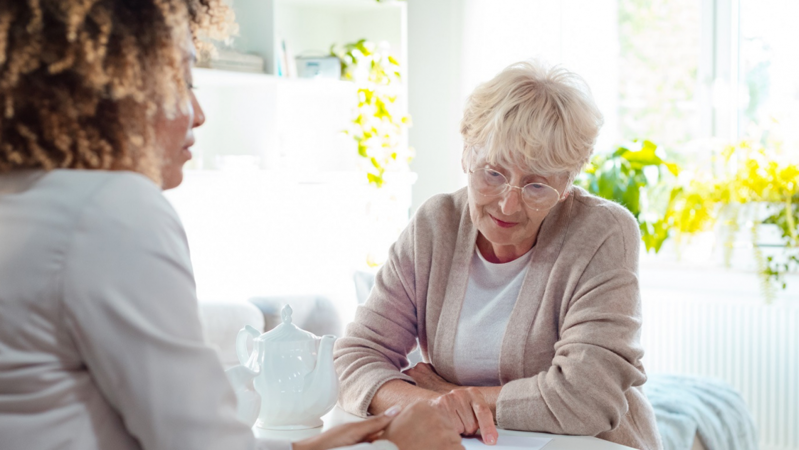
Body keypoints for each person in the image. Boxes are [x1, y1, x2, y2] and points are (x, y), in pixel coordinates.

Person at [0, 1, 462, 450]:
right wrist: (397, 447)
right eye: (183, 81)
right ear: (116, 88)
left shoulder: (28, 202)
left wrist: (309, 447)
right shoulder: (110, 209)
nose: (198, 112)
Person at [334, 60, 663, 450]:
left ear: (567, 182)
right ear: (466, 154)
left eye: (537, 185)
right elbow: (356, 357)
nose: (508, 205)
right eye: (493, 173)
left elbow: (586, 398)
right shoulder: (435, 225)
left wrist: (454, 395)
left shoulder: (602, 232)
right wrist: (435, 405)